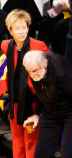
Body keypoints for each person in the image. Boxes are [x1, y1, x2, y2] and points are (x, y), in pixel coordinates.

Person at [22, 50, 72, 158]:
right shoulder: (34, 71)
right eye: (29, 72)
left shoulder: (61, 71)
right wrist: (36, 114)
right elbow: (40, 93)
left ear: (44, 64)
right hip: (50, 112)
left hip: (70, 113)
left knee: (67, 154)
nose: (32, 75)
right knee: (41, 154)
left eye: (34, 71)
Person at [0, 9, 48, 158]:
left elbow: (48, 74)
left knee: (31, 143)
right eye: (17, 28)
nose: (22, 32)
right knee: (17, 142)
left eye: (24, 27)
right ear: (10, 30)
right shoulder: (6, 45)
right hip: (14, 103)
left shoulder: (39, 46)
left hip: (33, 102)